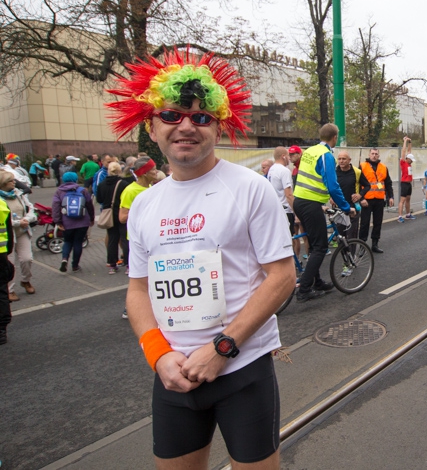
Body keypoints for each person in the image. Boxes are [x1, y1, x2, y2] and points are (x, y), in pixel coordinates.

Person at [106, 46, 295, 469]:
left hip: (241, 367)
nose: (186, 126)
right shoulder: (143, 205)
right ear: (151, 126)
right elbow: (137, 291)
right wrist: (157, 354)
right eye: (172, 115)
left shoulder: (250, 188)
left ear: (217, 125)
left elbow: (282, 277)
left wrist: (222, 348)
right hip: (172, 373)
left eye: (201, 116)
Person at [293, 123, 355, 302]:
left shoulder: (310, 151)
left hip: (300, 200)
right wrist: (345, 207)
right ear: (334, 138)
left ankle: (317, 281)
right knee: (321, 247)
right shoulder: (326, 155)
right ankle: (304, 290)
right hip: (310, 203)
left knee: (313, 245)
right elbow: (333, 185)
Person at [0, 170, 36, 300]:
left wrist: (28, 219)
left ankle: (26, 280)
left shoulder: (18, 194)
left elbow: (30, 208)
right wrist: (17, 222)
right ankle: (9, 289)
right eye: (11, 181)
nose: (14, 183)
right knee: (9, 262)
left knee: (27, 259)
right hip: (6, 236)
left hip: (22, 231)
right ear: (3, 183)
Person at [52, 171, 95, 273]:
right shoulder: (83, 191)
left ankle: (64, 259)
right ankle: (75, 265)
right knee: (78, 242)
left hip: (67, 222)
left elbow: (55, 207)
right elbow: (90, 205)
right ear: (75, 179)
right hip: (82, 222)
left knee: (67, 241)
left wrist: (58, 222)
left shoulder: (59, 191)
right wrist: (91, 219)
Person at [96, 162, 132, 275]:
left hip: (109, 215)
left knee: (112, 239)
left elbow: (99, 199)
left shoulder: (101, 184)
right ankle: (128, 264)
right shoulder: (123, 184)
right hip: (121, 213)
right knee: (125, 239)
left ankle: (112, 264)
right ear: (119, 170)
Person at [358, 148, 394, 253]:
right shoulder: (362, 166)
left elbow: (388, 183)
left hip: (379, 199)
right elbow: (358, 184)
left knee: (378, 223)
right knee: (364, 223)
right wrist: (362, 198)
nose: (374, 155)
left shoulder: (383, 167)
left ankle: (375, 244)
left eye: (376, 154)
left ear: (378, 155)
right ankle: (362, 246)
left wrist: (390, 197)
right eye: (372, 153)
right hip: (367, 200)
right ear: (369, 155)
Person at [267, 147, 296, 239]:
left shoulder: (272, 169)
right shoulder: (284, 171)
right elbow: (288, 195)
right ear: (283, 156)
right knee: (288, 240)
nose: (290, 158)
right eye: (288, 156)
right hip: (286, 210)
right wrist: (296, 212)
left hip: (276, 209)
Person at [335, 151, 363, 245]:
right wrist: (330, 197)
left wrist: (360, 195)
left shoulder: (356, 172)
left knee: (352, 236)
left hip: (353, 207)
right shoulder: (334, 172)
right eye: (339, 159)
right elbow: (327, 186)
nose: (341, 161)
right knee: (341, 237)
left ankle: (352, 258)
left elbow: (367, 186)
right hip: (339, 208)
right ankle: (344, 257)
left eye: (344, 159)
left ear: (349, 160)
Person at [0, 194, 14, 345]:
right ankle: (2, 329)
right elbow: (8, 231)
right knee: (1, 291)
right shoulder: (2, 205)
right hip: (1, 253)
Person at [398, 136, 415, 223]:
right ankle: (400, 216)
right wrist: (404, 141)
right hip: (404, 183)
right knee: (402, 200)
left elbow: (409, 151)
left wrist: (410, 142)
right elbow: (404, 152)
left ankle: (408, 214)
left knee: (408, 199)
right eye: (411, 160)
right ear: (407, 159)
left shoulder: (409, 163)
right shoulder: (403, 162)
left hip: (409, 183)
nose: (412, 161)